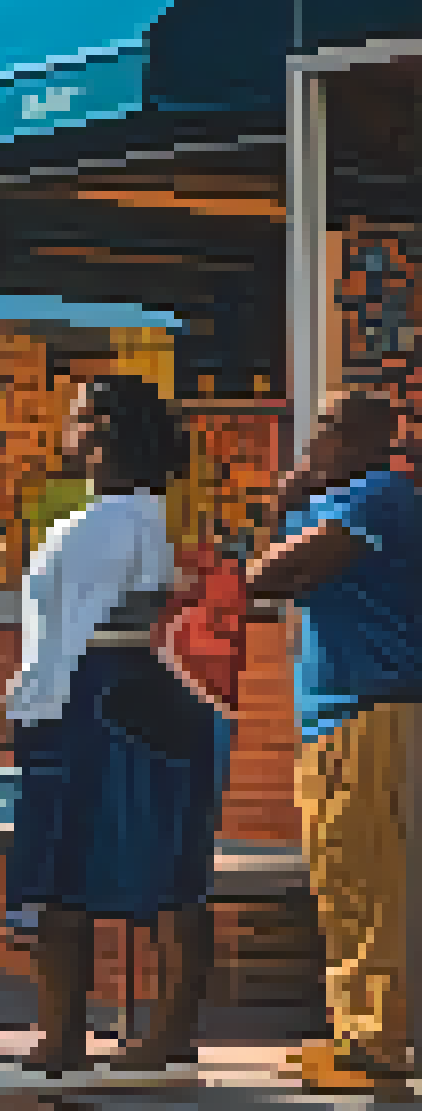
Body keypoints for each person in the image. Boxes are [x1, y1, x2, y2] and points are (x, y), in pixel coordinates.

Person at [0, 374, 221, 1089]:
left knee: (61, 875)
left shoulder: (98, 525)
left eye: (79, 414)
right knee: (174, 871)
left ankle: (60, 1045)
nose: (67, 423)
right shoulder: (144, 517)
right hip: (142, 695)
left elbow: (72, 634)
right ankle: (169, 1035)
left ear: (104, 430)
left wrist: (24, 701)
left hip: (88, 701)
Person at [250, 388, 422, 1093]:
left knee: (367, 881)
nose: (312, 441)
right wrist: (288, 501)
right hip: (339, 716)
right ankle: (357, 1033)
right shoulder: (341, 500)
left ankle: (375, 1043)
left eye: (323, 428)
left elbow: (274, 575)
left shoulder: (379, 495)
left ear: (360, 435)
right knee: (340, 876)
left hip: (368, 709)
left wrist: (294, 500)